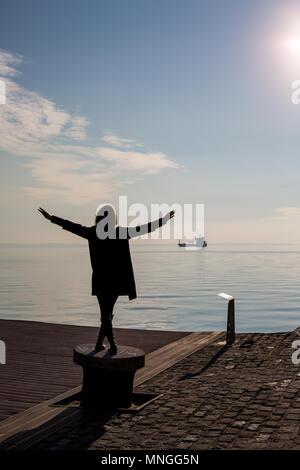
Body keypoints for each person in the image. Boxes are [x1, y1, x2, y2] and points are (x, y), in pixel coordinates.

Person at [38, 205, 175, 355]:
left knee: (106, 313)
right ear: (112, 218)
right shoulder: (120, 232)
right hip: (116, 280)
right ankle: (104, 344)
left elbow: (73, 227)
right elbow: (143, 228)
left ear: (99, 217)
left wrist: (52, 218)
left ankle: (107, 345)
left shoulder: (93, 232)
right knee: (107, 313)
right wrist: (163, 220)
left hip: (100, 280)